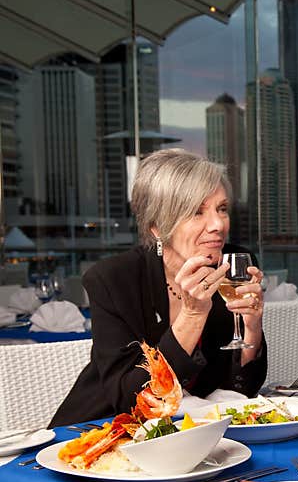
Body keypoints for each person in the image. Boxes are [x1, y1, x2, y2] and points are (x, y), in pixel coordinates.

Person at [49, 149, 267, 427]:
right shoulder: (113, 280)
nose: (217, 225)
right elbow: (133, 397)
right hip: (103, 431)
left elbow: (240, 391)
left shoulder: (231, 266)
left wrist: (252, 327)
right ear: (156, 227)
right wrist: (192, 314)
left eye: (221, 209)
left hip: (191, 433)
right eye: (196, 212)